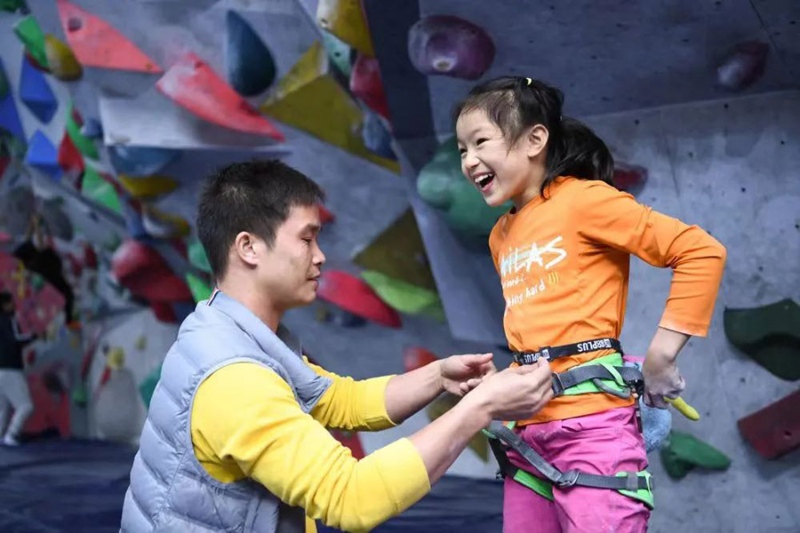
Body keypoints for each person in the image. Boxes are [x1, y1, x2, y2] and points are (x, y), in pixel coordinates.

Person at [120, 159, 555, 533]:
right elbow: (351, 498)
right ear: (248, 247)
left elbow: (339, 400)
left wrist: (438, 376)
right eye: (306, 238)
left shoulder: (226, 330)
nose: (320, 255)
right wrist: (480, 408)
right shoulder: (235, 379)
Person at [454, 76, 727, 533]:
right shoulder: (500, 236)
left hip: (594, 428)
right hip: (526, 438)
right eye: (461, 149)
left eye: (480, 142)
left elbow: (700, 251)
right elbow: (547, 326)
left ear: (535, 139)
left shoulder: (583, 200)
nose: (468, 160)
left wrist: (661, 356)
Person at [0, 291, 37, 446]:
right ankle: (12, 434)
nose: (14, 305)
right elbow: (15, 340)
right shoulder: (9, 320)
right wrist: (33, 336)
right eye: (11, 302)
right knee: (26, 406)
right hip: (11, 368)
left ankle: (2, 434)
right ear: (5, 305)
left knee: (3, 408)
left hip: (1, 369)